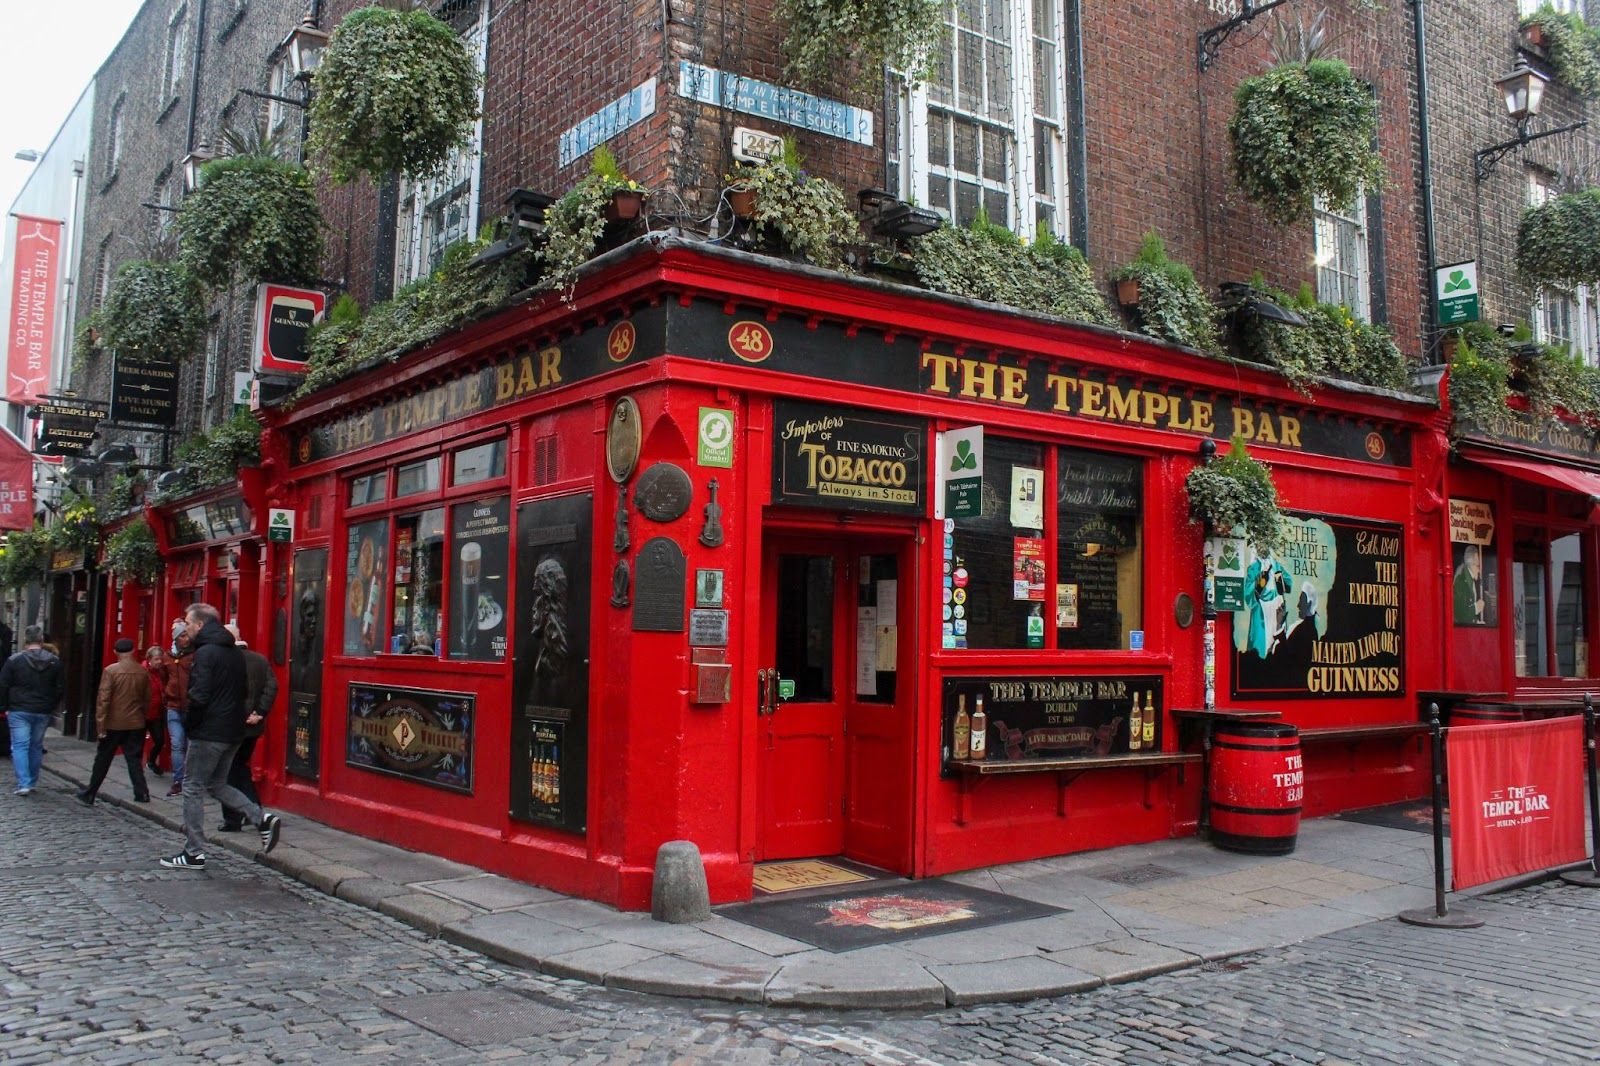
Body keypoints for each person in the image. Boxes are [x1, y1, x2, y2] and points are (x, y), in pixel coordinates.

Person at [160, 603, 281, 870]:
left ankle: (193, 852)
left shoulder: (206, 654)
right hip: (233, 731)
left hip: (209, 731)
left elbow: (200, 694)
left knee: (192, 787)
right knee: (217, 784)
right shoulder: (234, 654)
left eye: (189, 624)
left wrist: (191, 724)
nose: (186, 629)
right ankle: (261, 818)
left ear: (200, 625)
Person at [76, 638, 153, 806]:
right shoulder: (142, 671)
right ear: (133, 651)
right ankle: (142, 793)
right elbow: (147, 699)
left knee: (103, 759)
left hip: (114, 723)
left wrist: (101, 726)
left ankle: (90, 792)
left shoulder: (110, 671)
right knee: (134, 760)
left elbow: (103, 700)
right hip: (136, 723)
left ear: (115, 652)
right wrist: (142, 714)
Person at [218, 625, 277, 833]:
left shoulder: (224, 660)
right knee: (239, 766)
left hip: (229, 725)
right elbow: (272, 686)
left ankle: (242, 817)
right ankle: (253, 813)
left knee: (228, 772)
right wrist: (259, 712)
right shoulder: (260, 660)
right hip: (252, 727)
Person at [1, 625, 64, 796]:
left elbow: (4, 685)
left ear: (25, 641)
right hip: (42, 709)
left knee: (20, 746)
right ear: (42, 640)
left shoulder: (14, 661)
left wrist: (4, 707)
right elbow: (59, 688)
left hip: (19, 708)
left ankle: (24, 783)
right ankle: (32, 781)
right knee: (35, 746)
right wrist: (51, 706)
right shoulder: (54, 661)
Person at [163, 627, 195, 797]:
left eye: (187, 634)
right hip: (173, 706)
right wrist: (167, 695)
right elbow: (163, 678)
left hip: (191, 707)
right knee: (176, 744)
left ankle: (189, 781)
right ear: (175, 638)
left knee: (190, 745)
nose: (186, 638)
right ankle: (178, 781)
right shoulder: (167, 657)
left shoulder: (194, 655)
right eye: (182, 635)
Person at [143, 646, 168, 776]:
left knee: (159, 740)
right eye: (156, 659)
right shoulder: (142, 672)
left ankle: (151, 762)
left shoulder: (161, 672)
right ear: (149, 659)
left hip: (156, 713)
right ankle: (136, 769)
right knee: (138, 743)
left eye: (161, 659)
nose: (159, 662)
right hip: (143, 714)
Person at [1454, 545, 1486, 625]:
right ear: (1472, 562)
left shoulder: (1471, 580)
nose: (1479, 571)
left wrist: (1477, 622)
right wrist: (1476, 608)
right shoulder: (1461, 581)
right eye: (1478, 566)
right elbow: (1460, 614)